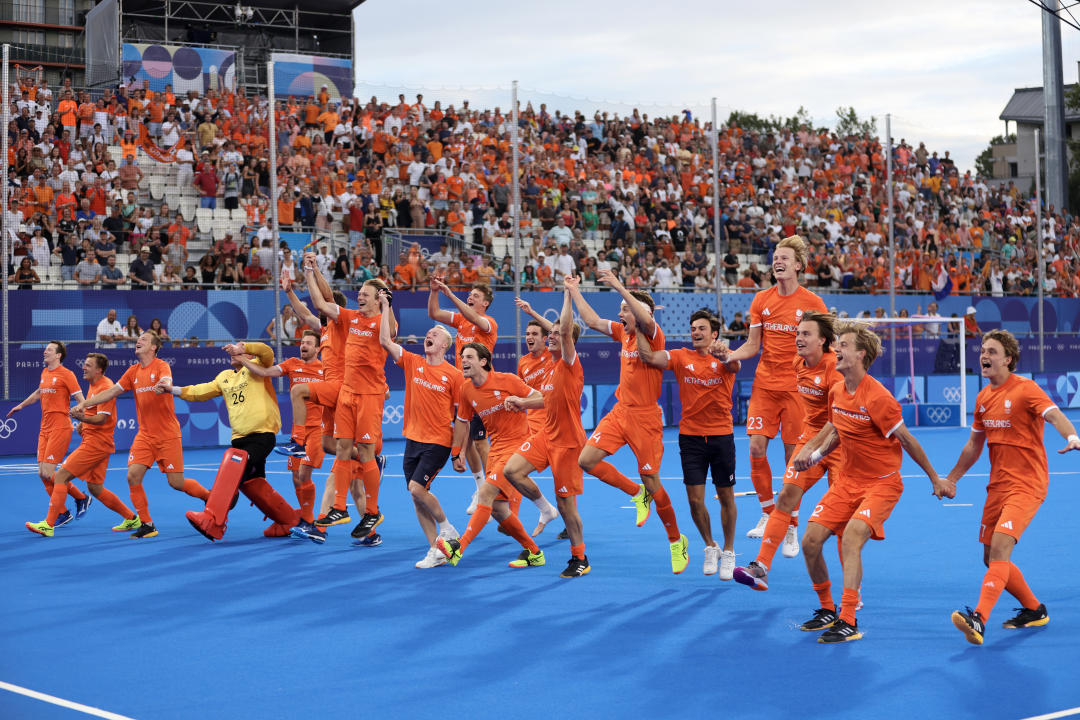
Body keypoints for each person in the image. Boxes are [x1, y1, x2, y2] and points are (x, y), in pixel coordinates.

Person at [789, 323, 954, 642]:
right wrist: (813, 452)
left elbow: (907, 440)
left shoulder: (878, 397)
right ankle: (827, 609)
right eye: (837, 344)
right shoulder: (837, 390)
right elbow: (836, 430)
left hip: (882, 484)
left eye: (844, 345)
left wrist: (936, 479)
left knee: (851, 538)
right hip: (847, 482)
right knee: (810, 542)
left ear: (861, 354)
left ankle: (848, 619)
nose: (836, 349)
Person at [946, 330, 1080, 645]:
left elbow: (1054, 414)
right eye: (982, 351)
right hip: (998, 487)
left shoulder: (1026, 389)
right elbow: (973, 447)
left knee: (1001, 548)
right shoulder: (982, 398)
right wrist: (952, 478)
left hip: (1027, 483)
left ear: (1008, 359)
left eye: (992, 351)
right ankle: (1034, 610)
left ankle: (978, 618)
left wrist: (1072, 436)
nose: (984, 356)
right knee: (990, 557)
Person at [568, 268, 689, 574]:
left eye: (625, 309)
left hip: (646, 418)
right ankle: (636, 493)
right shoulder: (623, 332)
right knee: (586, 460)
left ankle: (676, 541)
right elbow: (593, 321)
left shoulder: (652, 333)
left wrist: (621, 287)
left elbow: (646, 320)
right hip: (621, 411)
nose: (621, 313)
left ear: (639, 312)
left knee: (654, 480)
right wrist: (573, 291)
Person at [715, 235, 828, 546]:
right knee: (755, 449)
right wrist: (729, 354)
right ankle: (767, 512)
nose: (778, 261)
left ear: (799, 266)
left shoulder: (813, 304)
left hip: (797, 391)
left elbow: (824, 346)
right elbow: (752, 345)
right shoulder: (761, 300)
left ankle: (790, 522)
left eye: (785, 258)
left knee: (794, 458)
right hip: (765, 386)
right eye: (775, 257)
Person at [733, 311, 842, 591]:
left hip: (840, 444)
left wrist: (814, 452)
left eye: (806, 334)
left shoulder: (834, 368)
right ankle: (760, 568)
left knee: (843, 519)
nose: (798, 339)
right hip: (811, 439)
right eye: (797, 334)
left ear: (823, 340)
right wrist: (809, 446)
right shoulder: (798, 363)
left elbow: (838, 421)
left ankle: (850, 591)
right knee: (786, 496)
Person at [72, 331, 211, 539]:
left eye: (144, 340)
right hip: (145, 435)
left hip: (167, 435)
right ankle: (147, 524)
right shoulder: (132, 372)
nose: (139, 341)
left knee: (176, 483)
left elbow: (166, 379)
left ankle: (210, 497)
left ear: (153, 347)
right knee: (132, 475)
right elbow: (111, 392)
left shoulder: (161, 366)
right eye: (139, 339)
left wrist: (164, 386)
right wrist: (85, 403)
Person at [158, 342, 300, 540]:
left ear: (249, 355)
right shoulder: (224, 377)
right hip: (239, 439)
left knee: (233, 465)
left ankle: (214, 520)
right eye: (233, 351)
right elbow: (199, 392)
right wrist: (172, 390)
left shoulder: (258, 367)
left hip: (262, 435)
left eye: (241, 352)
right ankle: (288, 520)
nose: (234, 353)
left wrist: (243, 348)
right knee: (251, 482)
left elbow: (266, 351)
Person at [637, 308, 742, 578]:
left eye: (702, 328)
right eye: (693, 328)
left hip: (721, 436)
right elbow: (648, 356)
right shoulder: (682, 356)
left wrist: (726, 354)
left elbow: (735, 366)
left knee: (726, 496)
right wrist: (638, 325)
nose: (696, 332)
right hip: (691, 438)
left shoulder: (724, 358)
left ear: (714, 334)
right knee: (695, 501)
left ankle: (729, 551)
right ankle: (710, 546)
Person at [435, 343, 553, 569]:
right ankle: (534, 552)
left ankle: (458, 548)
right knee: (499, 510)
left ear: (483, 361)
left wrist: (521, 402)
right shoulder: (466, 389)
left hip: (518, 446)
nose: (463, 361)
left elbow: (542, 398)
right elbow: (462, 422)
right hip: (496, 448)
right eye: (462, 357)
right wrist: (456, 452)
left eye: (469, 357)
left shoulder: (507, 380)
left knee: (485, 493)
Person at [502, 277, 591, 577]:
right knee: (511, 471)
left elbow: (564, 330)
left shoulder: (569, 363)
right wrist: (521, 403)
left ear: (567, 341)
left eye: (554, 334)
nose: (550, 336)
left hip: (567, 444)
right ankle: (544, 507)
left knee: (568, 506)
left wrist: (568, 293)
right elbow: (545, 402)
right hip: (546, 437)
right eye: (549, 334)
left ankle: (580, 558)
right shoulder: (551, 370)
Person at [377, 293, 463, 568]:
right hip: (412, 440)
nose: (429, 335)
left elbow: (463, 417)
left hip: (438, 441)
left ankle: (448, 529)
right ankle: (435, 551)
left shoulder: (454, 376)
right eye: (428, 332)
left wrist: (459, 451)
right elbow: (384, 341)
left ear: (445, 345)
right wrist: (385, 306)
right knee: (416, 497)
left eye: (435, 334)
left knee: (417, 487)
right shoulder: (413, 362)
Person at [309, 273, 395, 538]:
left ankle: (372, 512)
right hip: (347, 393)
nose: (359, 296)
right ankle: (338, 508)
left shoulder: (383, 320)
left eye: (365, 294)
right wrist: (309, 272)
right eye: (359, 293)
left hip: (370, 394)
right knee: (343, 449)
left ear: (378, 299)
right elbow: (322, 305)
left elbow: (388, 336)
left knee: (366, 453)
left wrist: (386, 305)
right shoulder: (350, 317)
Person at [25, 353, 140, 536]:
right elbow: (94, 416)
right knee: (96, 488)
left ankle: (48, 524)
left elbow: (102, 419)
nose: (83, 368)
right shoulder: (93, 385)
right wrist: (83, 425)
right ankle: (132, 518)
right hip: (95, 441)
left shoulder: (106, 387)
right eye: (84, 364)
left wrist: (82, 418)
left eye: (88, 365)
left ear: (98, 370)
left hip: (97, 444)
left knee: (61, 476)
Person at [235, 329, 325, 541]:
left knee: (304, 474)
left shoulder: (325, 368)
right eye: (302, 342)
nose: (304, 346)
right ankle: (305, 520)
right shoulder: (292, 363)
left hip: (317, 429)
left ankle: (309, 521)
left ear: (318, 348)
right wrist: (242, 359)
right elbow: (266, 372)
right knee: (296, 478)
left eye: (309, 343)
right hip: (298, 431)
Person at [427, 279, 498, 514]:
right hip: (462, 389)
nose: (471, 297)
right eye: (470, 294)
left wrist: (450, 292)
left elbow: (474, 318)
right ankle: (480, 488)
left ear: (485, 303)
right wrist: (435, 291)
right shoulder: (460, 321)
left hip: (481, 388)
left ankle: (491, 490)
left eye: (476, 295)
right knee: (467, 442)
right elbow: (434, 312)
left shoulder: (487, 322)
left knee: (480, 441)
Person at [9, 341, 91, 528]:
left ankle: (78, 500)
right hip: (44, 428)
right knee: (42, 474)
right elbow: (39, 393)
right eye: (46, 349)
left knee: (48, 472)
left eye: (50, 349)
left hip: (60, 427)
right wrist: (21, 405)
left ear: (58, 355)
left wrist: (82, 416)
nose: (45, 351)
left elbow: (81, 399)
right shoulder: (45, 372)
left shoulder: (67, 375)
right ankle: (67, 509)